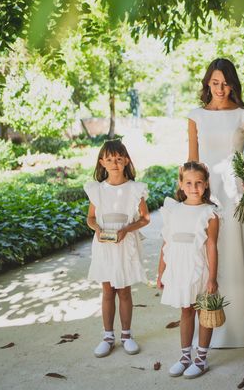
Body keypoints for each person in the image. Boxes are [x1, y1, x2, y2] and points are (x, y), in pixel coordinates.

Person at [187, 58, 244, 348]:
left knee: (233, 252)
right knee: (207, 253)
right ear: (207, 83)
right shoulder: (196, 115)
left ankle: (237, 326)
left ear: (233, 84)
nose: (220, 88)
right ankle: (206, 322)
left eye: (226, 83)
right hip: (205, 190)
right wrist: (190, 195)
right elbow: (191, 160)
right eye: (215, 82)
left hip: (235, 191)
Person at [83, 140, 150, 358]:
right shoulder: (98, 190)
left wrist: (126, 229)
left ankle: (127, 335)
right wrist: (97, 229)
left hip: (125, 245)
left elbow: (145, 218)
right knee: (107, 291)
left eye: (119, 159)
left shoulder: (134, 189)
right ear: (102, 162)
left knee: (124, 290)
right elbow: (91, 218)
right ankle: (108, 336)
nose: (114, 163)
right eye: (109, 159)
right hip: (104, 245)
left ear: (126, 161)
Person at [157, 161, 220, 379]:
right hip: (178, 268)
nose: (194, 187)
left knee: (204, 312)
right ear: (181, 184)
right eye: (189, 183)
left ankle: (201, 358)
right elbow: (166, 243)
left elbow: (211, 245)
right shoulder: (173, 210)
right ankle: (185, 356)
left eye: (199, 183)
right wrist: (161, 271)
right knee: (186, 310)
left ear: (206, 184)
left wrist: (212, 277)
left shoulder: (209, 213)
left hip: (199, 267)